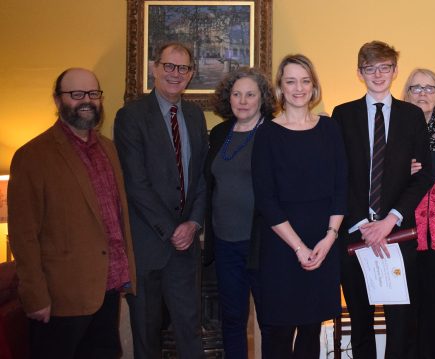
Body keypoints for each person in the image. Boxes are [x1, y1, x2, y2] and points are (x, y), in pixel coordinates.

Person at [8, 68, 136, 358]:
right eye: (76, 94)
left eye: (93, 94)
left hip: (108, 288)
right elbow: (23, 235)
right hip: (61, 298)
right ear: (57, 100)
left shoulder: (108, 149)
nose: (86, 101)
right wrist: (36, 297)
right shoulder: (32, 157)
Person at [332, 40, 433, 359]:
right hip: (354, 233)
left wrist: (390, 220)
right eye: (370, 68)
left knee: (400, 325)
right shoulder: (342, 114)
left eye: (385, 67)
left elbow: (423, 174)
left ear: (395, 70)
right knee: (360, 321)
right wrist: (364, 223)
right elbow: (338, 175)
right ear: (360, 73)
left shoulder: (412, 115)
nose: (378, 74)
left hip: (397, 233)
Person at [114, 43, 208, 359]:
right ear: (155, 68)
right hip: (147, 246)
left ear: (191, 74)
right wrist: (171, 230)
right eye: (169, 66)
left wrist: (193, 223)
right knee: (146, 333)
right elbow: (135, 183)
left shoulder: (195, 117)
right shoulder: (130, 116)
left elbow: (201, 178)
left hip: (185, 248)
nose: (175, 74)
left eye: (182, 69)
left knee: (189, 330)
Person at [251, 54, 346, 359]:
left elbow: (341, 188)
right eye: (290, 81)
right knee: (277, 336)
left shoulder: (330, 128)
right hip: (282, 247)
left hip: (323, 243)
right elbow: (265, 198)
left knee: (311, 333)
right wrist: (298, 248)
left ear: (314, 86)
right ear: (280, 88)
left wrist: (329, 239)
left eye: (305, 81)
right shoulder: (267, 133)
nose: (298, 88)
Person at [205, 67, 274, 358]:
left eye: (250, 94)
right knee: (232, 320)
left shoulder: (274, 132)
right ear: (228, 98)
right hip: (225, 243)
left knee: (270, 321)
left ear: (262, 99)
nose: (242, 101)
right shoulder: (220, 133)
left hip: (263, 243)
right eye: (236, 94)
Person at [401, 68, 435, 359]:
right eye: (415, 88)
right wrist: (399, 174)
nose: (422, 93)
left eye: (429, 88)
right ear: (406, 94)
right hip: (403, 235)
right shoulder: (395, 133)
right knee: (407, 312)